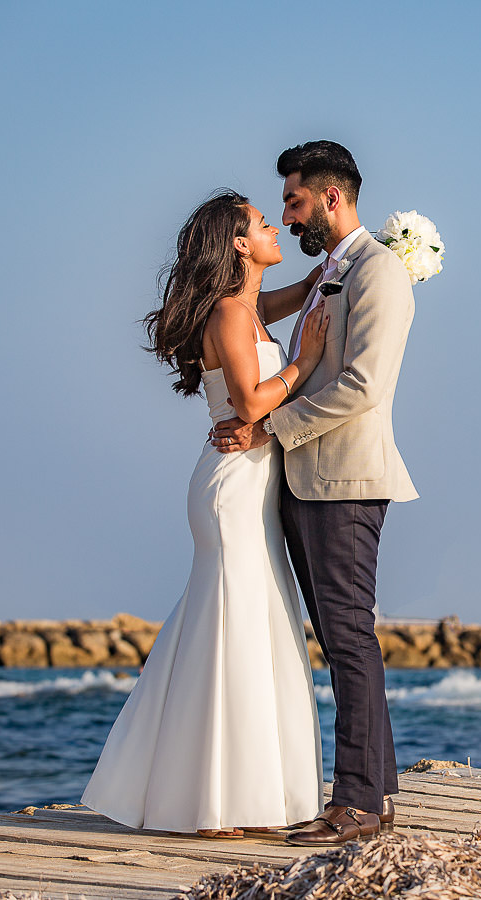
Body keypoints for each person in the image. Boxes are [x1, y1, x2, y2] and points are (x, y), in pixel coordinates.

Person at [82, 190, 330, 838]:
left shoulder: (247, 306)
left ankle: (225, 795)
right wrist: (303, 361)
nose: (274, 226)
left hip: (252, 488)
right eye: (260, 223)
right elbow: (249, 403)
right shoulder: (227, 312)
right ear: (239, 245)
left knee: (246, 628)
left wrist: (352, 260)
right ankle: (212, 803)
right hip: (232, 490)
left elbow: (301, 293)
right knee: (234, 631)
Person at [211, 140, 417, 846]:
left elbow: (363, 386)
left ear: (333, 198)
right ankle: (376, 796)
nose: (290, 217)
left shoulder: (379, 271)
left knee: (350, 641)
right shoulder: (329, 272)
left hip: (344, 481)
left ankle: (356, 805)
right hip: (308, 480)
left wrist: (271, 428)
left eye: (295, 202)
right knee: (340, 641)